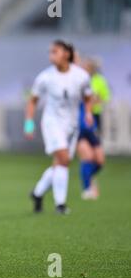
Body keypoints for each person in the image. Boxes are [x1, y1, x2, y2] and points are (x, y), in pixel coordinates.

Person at [25, 40, 93, 214]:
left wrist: (88, 113)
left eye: (54, 51)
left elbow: (87, 96)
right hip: (52, 123)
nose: (51, 55)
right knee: (63, 158)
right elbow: (33, 100)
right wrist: (29, 123)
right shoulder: (45, 77)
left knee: (61, 163)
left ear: (66, 54)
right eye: (50, 52)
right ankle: (60, 204)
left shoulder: (81, 76)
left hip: (72, 126)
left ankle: (38, 193)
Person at [76, 58, 110, 200]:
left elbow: (103, 98)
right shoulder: (76, 81)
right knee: (88, 157)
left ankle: (89, 177)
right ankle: (87, 188)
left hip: (94, 120)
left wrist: (94, 101)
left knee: (100, 160)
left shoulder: (99, 81)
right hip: (79, 123)